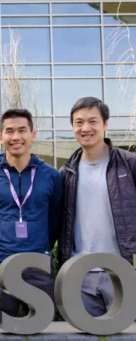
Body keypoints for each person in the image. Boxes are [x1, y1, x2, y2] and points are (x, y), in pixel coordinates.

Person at [0, 109, 62, 318]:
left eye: (22, 130)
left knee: (42, 328)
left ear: (33, 134)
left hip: (38, 263)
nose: (16, 137)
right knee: (0, 328)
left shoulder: (51, 176)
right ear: (0, 137)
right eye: (9, 131)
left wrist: (41, 244)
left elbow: (55, 220)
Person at [59, 97, 136, 316]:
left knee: (129, 336)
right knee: (86, 337)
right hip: (81, 274)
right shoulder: (65, 174)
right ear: (73, 127)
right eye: (79, 122)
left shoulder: (129, 164)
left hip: (123, 271)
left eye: (93, 121)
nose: (85, 128)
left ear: (105, 124)